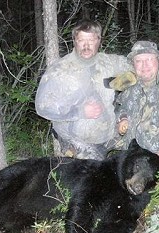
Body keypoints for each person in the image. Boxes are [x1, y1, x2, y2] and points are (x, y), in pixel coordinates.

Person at [35, 19, 133, 160]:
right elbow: (42, 107)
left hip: (110, 131)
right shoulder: (60, 70)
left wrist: (125, 80)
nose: (86, 46)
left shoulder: (109, 62)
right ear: (74, 41)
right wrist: (80, 111)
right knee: (94, 177)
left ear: (99, 40)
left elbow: (140, 67)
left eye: (91, 40)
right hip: (78, 140)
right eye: (81, 40)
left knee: (143, 141)